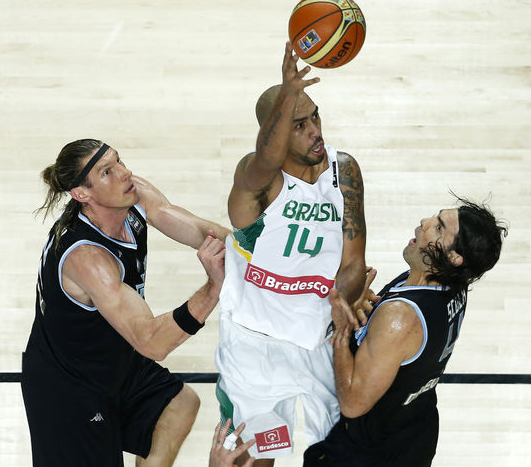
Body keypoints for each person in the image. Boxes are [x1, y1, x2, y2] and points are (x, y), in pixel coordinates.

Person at [210, 196, 506, 467]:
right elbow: (399, 344)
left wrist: (342, 330)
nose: (425, 222)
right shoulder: (452, 285)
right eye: (435, 217)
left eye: (439, 228)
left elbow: (353, 403)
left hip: (368, 454)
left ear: (455, 258)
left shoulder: (400, 317)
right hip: (413, 432)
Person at [21, 139, 231, 467]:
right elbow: (151, 341)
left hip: (112, 360)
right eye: (107, 171)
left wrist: (249, 254)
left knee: (178, 405)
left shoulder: (131, 196)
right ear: (82, 193)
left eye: (118, 161)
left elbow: (197, 229)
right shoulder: (88, 259)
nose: (124, 173)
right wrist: (214, 288)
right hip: (69, 389)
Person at [214, 42, 367, 466]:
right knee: (258, 458)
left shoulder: (343, 170)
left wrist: (341, 298)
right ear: (277, 130)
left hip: (319, 340)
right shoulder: (257, 182)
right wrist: (287, 94)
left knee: (333, 458)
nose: (315, 130)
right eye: (299, 124)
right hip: (255, 347)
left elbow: (353, 261)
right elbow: (265, 160)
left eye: (315, 116)